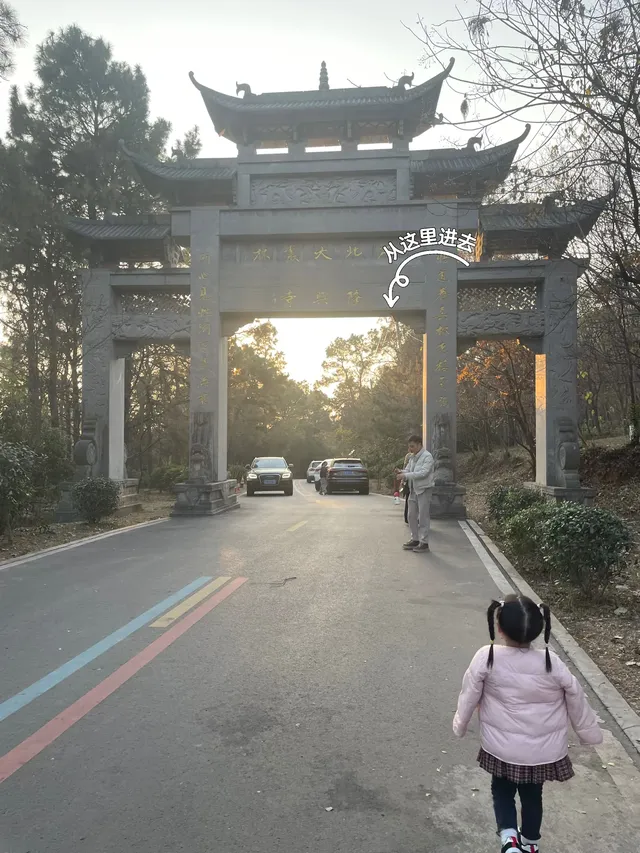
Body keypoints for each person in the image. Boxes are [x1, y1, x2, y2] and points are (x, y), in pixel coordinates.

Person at [453, 595, 603, 853]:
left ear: (498, 628)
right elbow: (576, 696)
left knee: (502, 792)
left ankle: (509, 840)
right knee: (533, 796)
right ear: (538, 629)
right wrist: (588, 733)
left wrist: (460, 723)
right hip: (542, 752)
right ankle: (530, 844)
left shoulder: (487, 657)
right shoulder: (551, 662)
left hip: (501, 748)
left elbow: (469, 695)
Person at [394, 434, 434, 552]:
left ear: (419, 444)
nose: (410, 449)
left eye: (412, 446)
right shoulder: (413, 457)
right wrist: (401, 471)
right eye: (409, 447)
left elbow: (423, 473)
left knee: (423, 516)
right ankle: (415, 539)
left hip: (424, 489)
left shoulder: (427, 457)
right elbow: (409, 470)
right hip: (413, 490)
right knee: (411, 515)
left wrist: (405, 475)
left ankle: (424, 542)